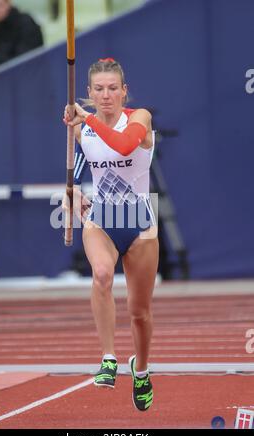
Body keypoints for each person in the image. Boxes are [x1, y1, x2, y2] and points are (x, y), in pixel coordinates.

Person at [63, 58, 159, 412]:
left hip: (140, 224)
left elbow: (121, 146)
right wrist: (71, 189)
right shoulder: (80, 128)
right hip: (101, 219)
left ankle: (142, 369)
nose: (106, 96)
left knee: (140, 313)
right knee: (101, 275)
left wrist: (83, 118)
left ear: (124, 91)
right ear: (89, 92)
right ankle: (108, 357)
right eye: (99, 89)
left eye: (112, 88)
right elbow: (82, 156)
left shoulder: (140, 119)